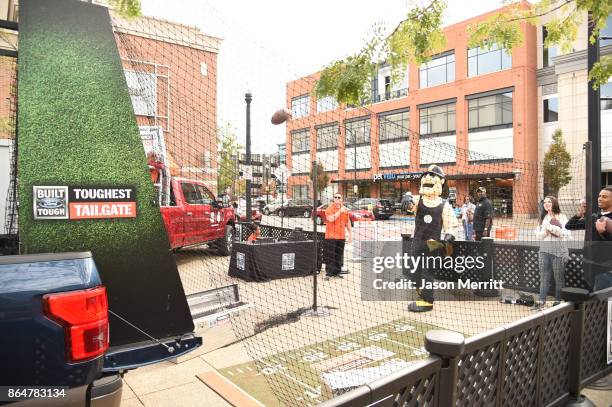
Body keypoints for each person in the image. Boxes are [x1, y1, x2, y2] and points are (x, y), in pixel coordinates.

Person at [407, 165, 458, 312]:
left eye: (433, 175)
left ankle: (427, 301)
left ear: (441, 181)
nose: (428, 177)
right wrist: (407, 200)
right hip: (417, 242)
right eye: (426, 175)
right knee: (415, 271)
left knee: (427, 273)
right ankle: (421, 294)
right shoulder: (419, 200)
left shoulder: (444, 205)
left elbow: (451, 225)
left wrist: (449, 234)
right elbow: (410, 206)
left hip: (433, 244)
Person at [534, 196, 569, 308]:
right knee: (544, 278)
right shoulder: (542, 218)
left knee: (559, 279)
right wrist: (546, 231)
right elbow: (538, 236)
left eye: (549, 201)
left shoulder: (562, 217)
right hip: (544, 251)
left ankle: (558, 302)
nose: (547, 203)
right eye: (545, 202)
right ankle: (541, 302)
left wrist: (549, 227)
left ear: (554, 203)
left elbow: (565, 234)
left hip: (558, 252)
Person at [324, 194, 352, 279]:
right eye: (335, 197)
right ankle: (329, 273)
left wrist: (350, 234)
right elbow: (330, 219)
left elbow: (347, 222)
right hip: (331, 236)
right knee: (330, 255)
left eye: (339, 197)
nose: (337, 198)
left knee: (339, 255)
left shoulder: (345, 210)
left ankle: (337, 272)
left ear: (341, 199)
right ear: (333, 199)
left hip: (341, 236)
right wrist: (340, 211)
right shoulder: (329, 208)